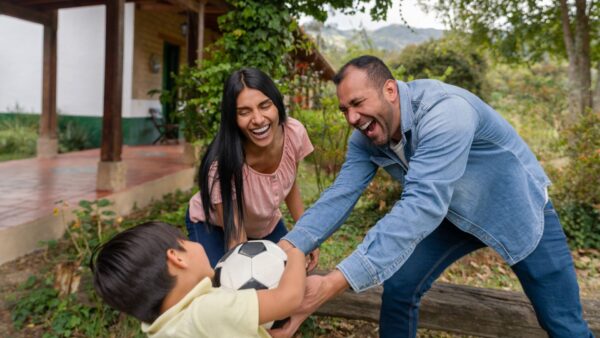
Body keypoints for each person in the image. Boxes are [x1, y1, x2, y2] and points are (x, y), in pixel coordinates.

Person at [275, 55, 594, 338]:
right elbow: (340, 194)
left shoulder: (446, 113)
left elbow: (421, 205)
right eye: (345, 109)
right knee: (399, 287)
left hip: (515, 209)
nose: (352, 119)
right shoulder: (367, 137)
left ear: (390, 90)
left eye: (358, 103)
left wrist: (332, 282)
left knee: (561, 322)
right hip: (451, 213)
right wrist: (290, 245)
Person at [186, 67, 319, 268]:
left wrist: (305, 235)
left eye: (265, 106)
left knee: (292, 271)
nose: (258, 119)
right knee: (224, 284)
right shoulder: (222, 165)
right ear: (233, 117)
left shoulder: (293, 133)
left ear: (277, 103)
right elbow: (236, 237)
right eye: (244, 112)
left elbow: (291, 184)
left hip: (265, 224)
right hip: (216, 226)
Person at [90, 221, 306, 338]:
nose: (191, 242)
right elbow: (288, 298)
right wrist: (295, 251)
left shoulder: (161, 330)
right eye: (184, 240)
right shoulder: (208, 310)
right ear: (176, 258)